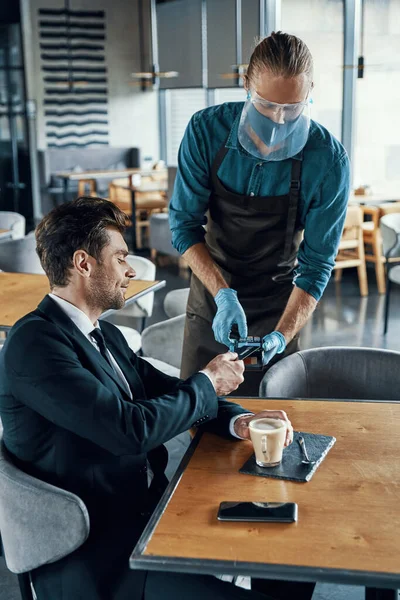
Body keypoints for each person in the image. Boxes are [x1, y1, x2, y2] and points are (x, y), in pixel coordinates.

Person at [0, 198, 316, 600]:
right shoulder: (35, 344)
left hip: (151, 519)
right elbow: (129, 430)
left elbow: (170, 390)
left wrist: (240, 421)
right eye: (120, 258)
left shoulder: (104, 335)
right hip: (101, 558)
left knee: (294, 553)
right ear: (83, 264)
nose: (131, 270)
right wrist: (207, 379)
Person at [169, 31, 350, 395]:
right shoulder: (206, 132)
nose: (279, 122)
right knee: (201, 422)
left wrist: (282, 337)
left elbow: (316, 266)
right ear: (246, 85)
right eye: (267, 105)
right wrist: (223, 295)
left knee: (275, 422)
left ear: (310, 90)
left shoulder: (328, 160)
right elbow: (183, 226)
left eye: (293, 108)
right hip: (211, 298)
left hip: (280, 305)